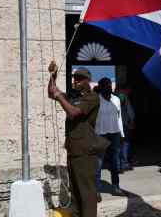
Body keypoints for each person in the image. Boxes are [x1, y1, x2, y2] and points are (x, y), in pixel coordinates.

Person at [48, 66, 101, 217]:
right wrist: (53, 76)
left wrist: (59, 97)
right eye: (74, 78)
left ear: (87, 81)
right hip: (73, 150)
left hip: (85, 151)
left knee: (87, 193)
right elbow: (52, 92)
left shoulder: (92, 97)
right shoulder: (73, 97)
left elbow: (74, 113)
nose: (75, 81)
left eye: (79, 78)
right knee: (76, 192)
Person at [95, 78, 125, 197]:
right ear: (100, 87)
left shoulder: (116, 100)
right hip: (100, 134)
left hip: (115, 134)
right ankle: (96, 190)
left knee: (115, 162)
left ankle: (116, 187)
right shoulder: (96, 100)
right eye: (106, 85)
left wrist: (122, 134)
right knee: (98, 163)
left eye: (110, 85)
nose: (109, 87)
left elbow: (119, 118)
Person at [117, 84, 135, 172]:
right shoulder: (123, 97)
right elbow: (129, 111)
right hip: (124, 124)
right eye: (128, 89)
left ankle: (118, 164)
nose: (130, 91)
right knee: (125, 144)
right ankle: (123, 164)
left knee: (119, 145)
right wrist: (131, 121)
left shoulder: (114, 97)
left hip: (117, 124)